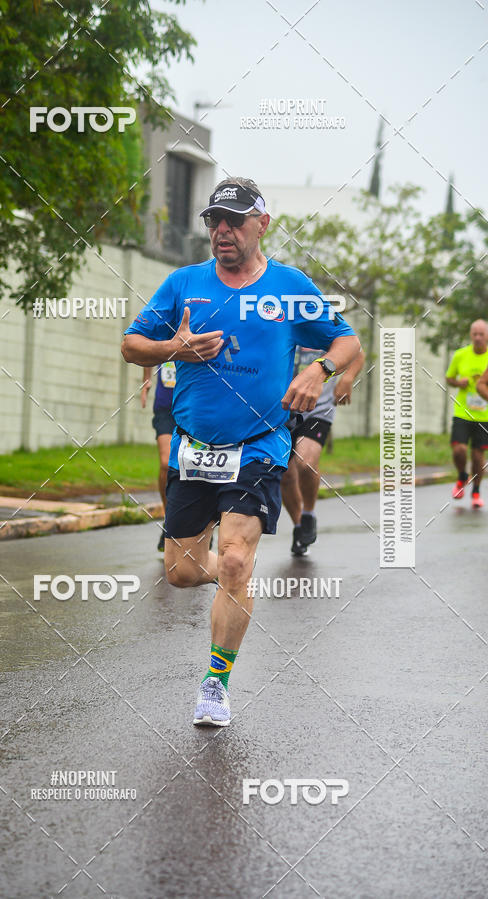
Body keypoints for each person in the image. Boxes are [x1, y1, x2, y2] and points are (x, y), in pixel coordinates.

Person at [121, 177, 360, 726]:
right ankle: (237, 578)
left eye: (233, 220)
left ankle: (216, 682)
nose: (221, 231)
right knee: (181, 571)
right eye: (213, 221)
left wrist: (318, 368)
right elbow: (133, 345)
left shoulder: (289, 286)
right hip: (194, 449)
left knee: (232, 558)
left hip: (257, 447)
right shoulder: (184, 284)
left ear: (262, 224)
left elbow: (349, 343)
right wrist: (173, 347)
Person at [282, 345, 365, 555]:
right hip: (282, 409)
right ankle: (299, 526)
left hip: (318, 410)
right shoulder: (279, 319)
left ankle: (308, 513)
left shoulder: (325, 320)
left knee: (306, 462)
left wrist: (347, 378)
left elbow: (356, 350)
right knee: (284, 474)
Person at [445, 320, 488, 508]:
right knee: (459, 449)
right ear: (471, 335)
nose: (478, 337)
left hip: (484, 416)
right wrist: (458, 383)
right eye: (474, 334)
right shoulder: (460, 355)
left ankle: (476, 491)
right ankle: (462, 476)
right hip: (462, 411)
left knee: (479, 456)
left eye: (481, 334)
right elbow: (448, 378)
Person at [141, 362, 176, 551]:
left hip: (196, 406)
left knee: (197, 468)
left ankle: (203, 526)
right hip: (166, 407)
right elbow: (145, 343)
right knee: (166, 462)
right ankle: (169, 519)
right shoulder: (163, 331)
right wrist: (147, 379)